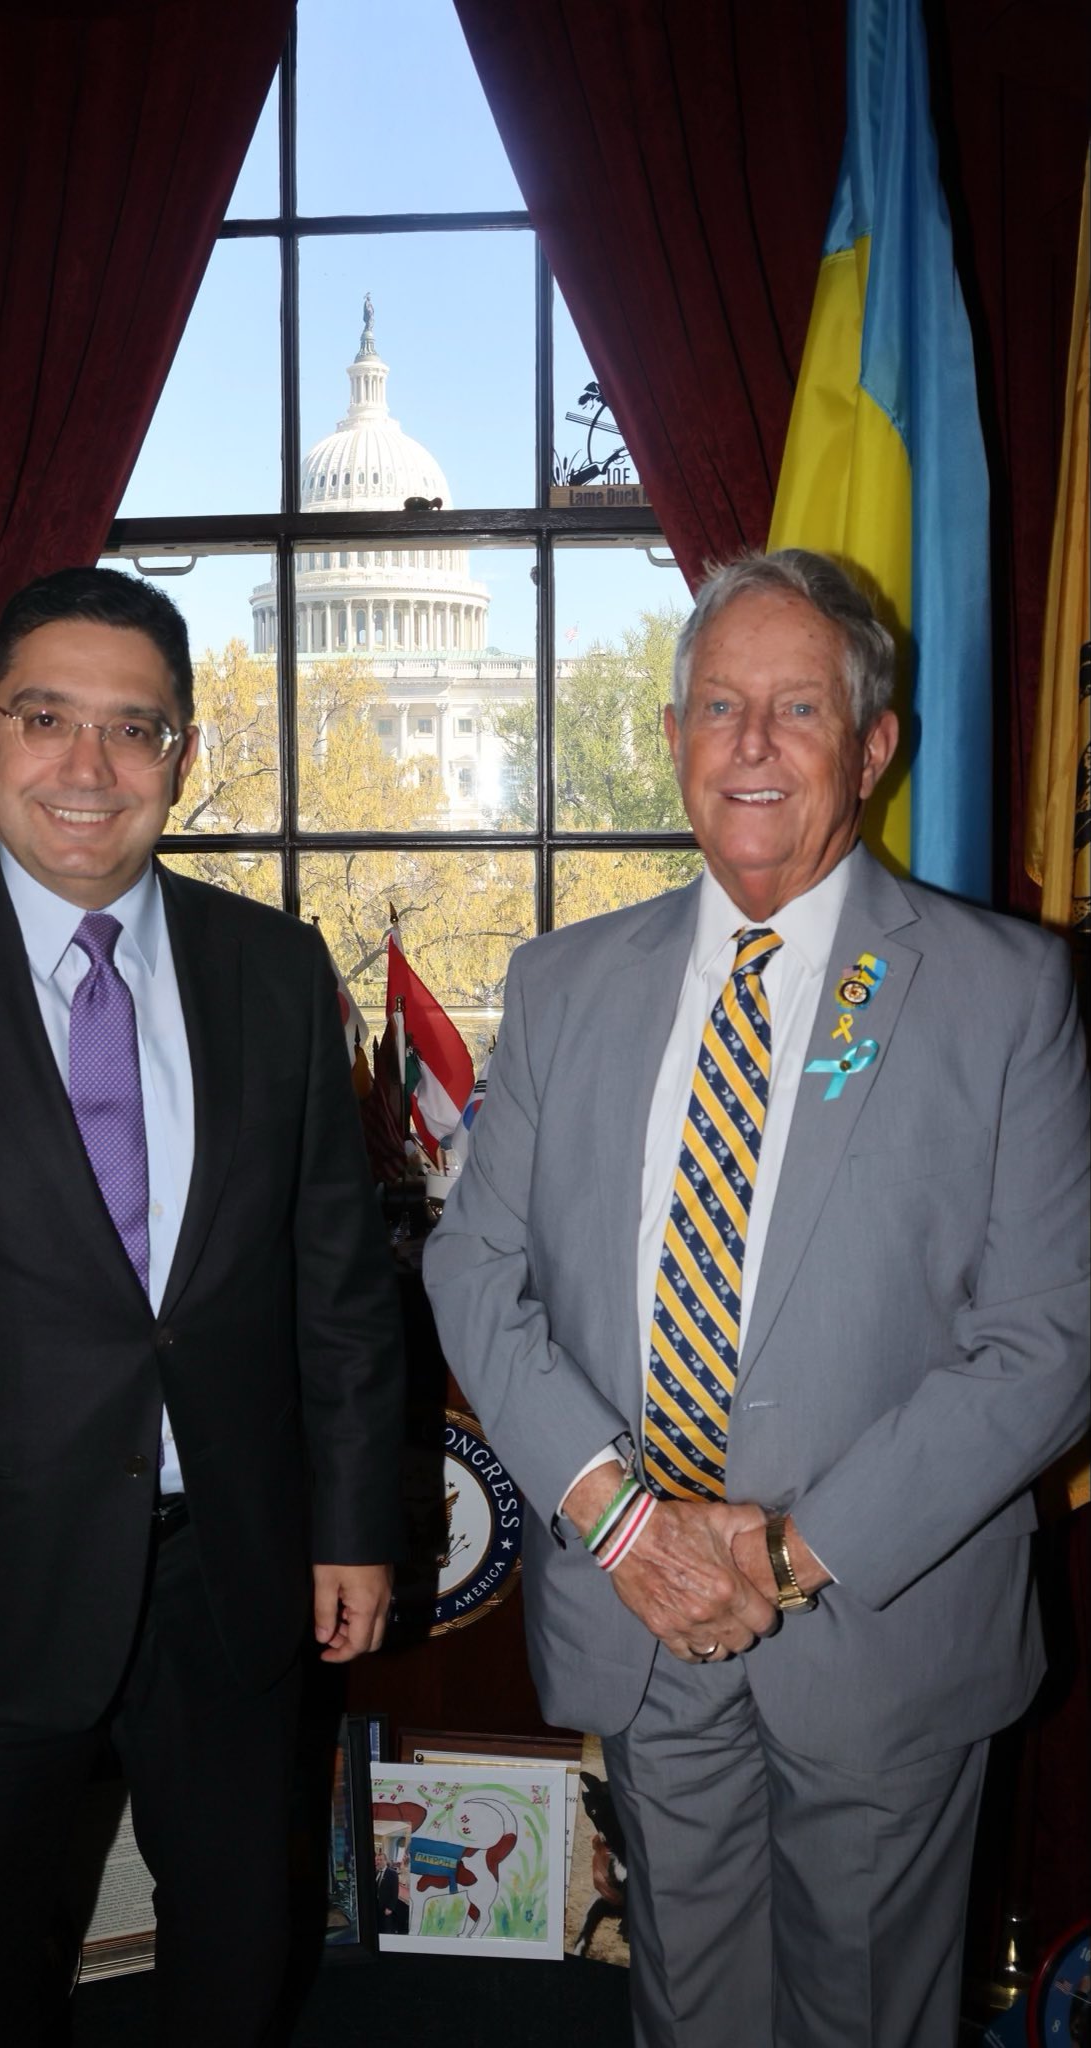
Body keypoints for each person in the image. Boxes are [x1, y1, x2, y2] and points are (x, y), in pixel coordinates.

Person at [423, 548, 1089, 2048]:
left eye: (798, 708)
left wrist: (784, 1557)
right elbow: (471, 1265)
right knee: (689, 2010)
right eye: (717, 706)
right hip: (636, 1612)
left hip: (878, 1621)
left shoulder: (1004, 992)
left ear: (873, 744)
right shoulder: (561, 985)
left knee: (867, 2019)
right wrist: (624, 1524)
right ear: (671, 736)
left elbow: (1048, 1340)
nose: (749, 744)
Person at [0, 566, 405, 2048]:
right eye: (46, 718)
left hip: (232, 1580)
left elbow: (339, 1284)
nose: (88, 768)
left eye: (134, 728)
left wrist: (354, 1522)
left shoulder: (276, 970)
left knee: (242, 1959)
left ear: (182, 753)